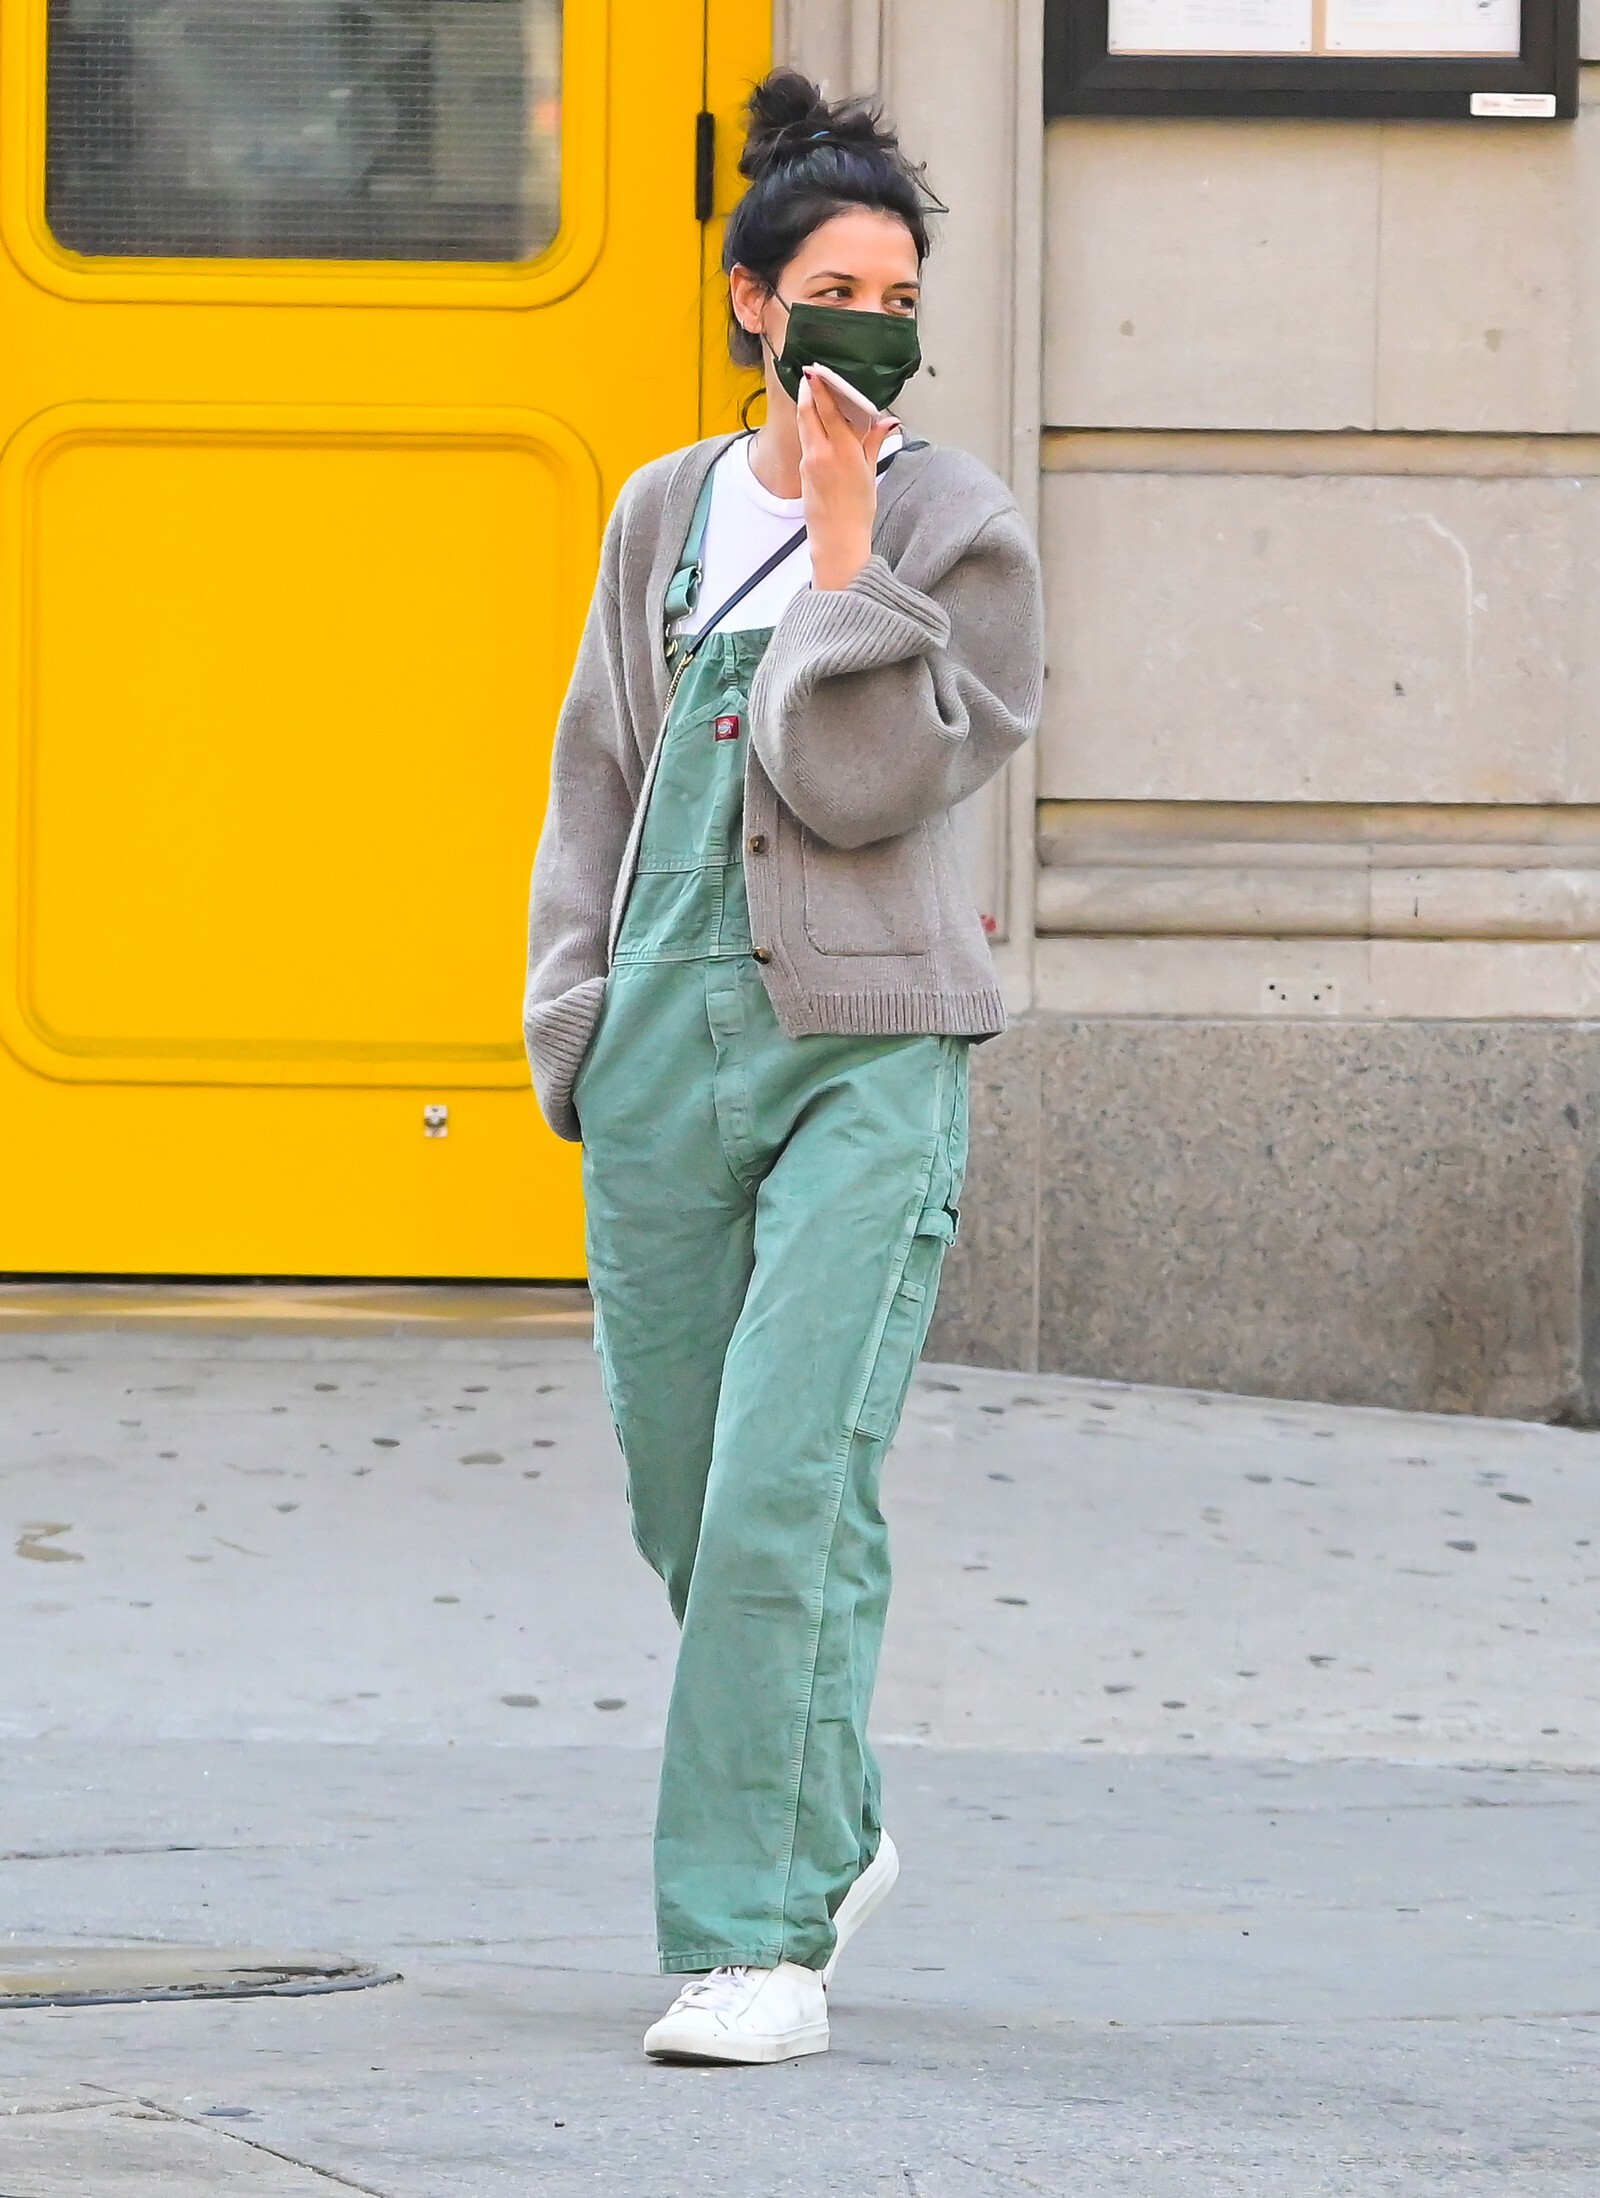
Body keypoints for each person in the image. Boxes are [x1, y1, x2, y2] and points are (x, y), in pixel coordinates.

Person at [523, 66, 1043, 2066]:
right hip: (662, 1038)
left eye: (899, 298)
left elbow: (858, 780)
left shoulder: (956, 527)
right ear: (751, 299)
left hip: (867, 1048)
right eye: (834, 290)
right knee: (685, 1490)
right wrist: (574, 1014)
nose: (869, 329)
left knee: (781, 1486)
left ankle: (752, 1940)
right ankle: (828, 1819)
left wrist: (842, 557)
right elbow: (597, 767)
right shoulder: (658, 508)